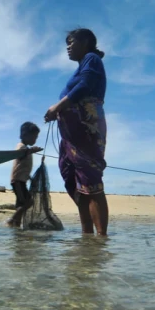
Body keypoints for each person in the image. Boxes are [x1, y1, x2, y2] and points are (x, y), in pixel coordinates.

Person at [44, 28, 109, 236]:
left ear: (86, 42)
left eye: (71, 42)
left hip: (86, 133)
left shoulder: (92, 60)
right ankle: (86, 236)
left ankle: (100, 240)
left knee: (91, 181)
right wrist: (57, 110)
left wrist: (58, 107)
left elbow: (85, 85)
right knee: (74, 180)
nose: (68, 47)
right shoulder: (82, 65)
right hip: (70, 137)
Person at [7, 122, 43, 228]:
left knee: (20, 204)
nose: (35, 140)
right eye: (33, 137)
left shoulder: (26, 149)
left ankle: (16, 225)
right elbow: (20, 152)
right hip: (17, 181)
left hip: (22, 181)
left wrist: (31, 178)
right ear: (25, 135)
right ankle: (12, 220)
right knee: (28, 202)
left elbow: (24, 168)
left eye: (36, 138)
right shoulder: (21, 146)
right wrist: (32, 150)